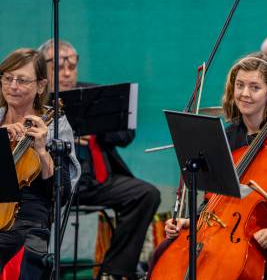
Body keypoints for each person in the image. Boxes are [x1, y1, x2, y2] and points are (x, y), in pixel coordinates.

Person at [149, 52, 267, 277]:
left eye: (254, 87)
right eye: (240, 85)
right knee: (162, 251)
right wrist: (192, 221)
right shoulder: (228, 136)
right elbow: (213, 197)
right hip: (220, 227)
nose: (245, 94)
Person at [38, 39, 161, 280]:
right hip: (55, 184)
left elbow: (126, 135)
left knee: (147, 194)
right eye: (58, 67)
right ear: (44, 69)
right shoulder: (38, 101)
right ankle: (37, 268)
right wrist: (68, 135)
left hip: (98, 180)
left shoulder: (94, 94)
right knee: (34, 206)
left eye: (71, 67)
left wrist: (95, 126)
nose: (66, 73)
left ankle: (114, 271)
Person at [0, 48, 80, 278]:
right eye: (7, 78)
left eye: (22, 80)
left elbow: (61, 195)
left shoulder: (55, 125)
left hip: (28, 219)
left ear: (41, 86)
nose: (13, 86)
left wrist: (43, 151)